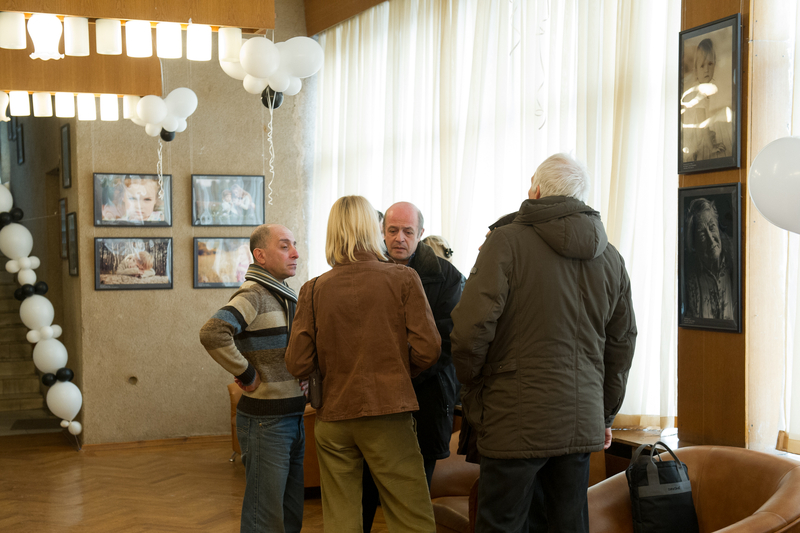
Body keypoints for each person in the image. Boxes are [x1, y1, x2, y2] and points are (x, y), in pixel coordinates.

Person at [451, 153, 637, 533]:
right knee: (567, 523)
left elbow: (471, 330)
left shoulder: (506, 242)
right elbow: (621, 345)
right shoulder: (611, 258)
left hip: (513, 415)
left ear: (535, 191)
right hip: (580, 418)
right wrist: (604, 414)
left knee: (501, 524)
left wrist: (473, 385)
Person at [285, 195, 441, 533]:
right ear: (374, 229)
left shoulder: (313, 289)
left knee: (340, 517)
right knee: (410, 515)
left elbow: (297, 363)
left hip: (333, 416)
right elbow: (429, 349)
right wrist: (399, 371)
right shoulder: (403, 278)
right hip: (389, 411)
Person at [357, 202, 464, 532]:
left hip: (426, 397)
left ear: (420, 233)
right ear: (382, 232)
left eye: (407, 231)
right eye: (392, 231)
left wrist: (401, 373)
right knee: (366, 485)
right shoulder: (364, 270)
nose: (399, 238)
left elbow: (447, 341)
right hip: (374, 398)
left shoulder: (447, 276)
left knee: (416, 490)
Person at [199, 224, 306, 533]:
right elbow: (213, 332)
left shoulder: (283, 295)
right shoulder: (254, 293)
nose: (295, 253)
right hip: (266, 422)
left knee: (290, 514)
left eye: (294, 245)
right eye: (285, 246)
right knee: (264, 518)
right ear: (260, 255)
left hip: (293, 416)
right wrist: (246, 372)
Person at [681, 38, 732, 162]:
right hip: (690, 142)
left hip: (692, 134)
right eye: (702, 66)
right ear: (696, 70)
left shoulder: (702, 87)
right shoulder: (700, 92)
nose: (707, 69)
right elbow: (702, 124)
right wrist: (711, 147)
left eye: (710, 64)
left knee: (711, 132)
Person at [684, 197, 735, 320]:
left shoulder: (735, 260)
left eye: (712, 227)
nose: (711, 240)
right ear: (694, 244)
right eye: (702, 234)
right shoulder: (690, 277)